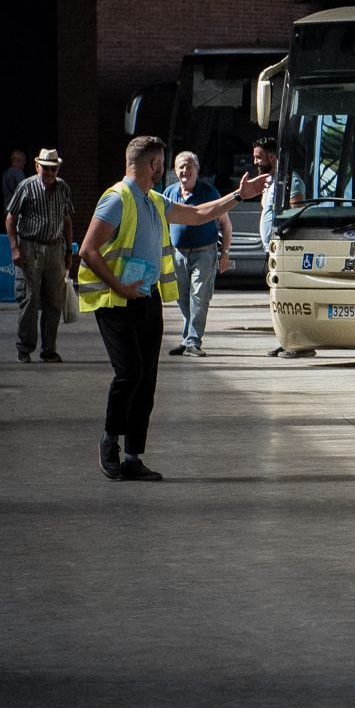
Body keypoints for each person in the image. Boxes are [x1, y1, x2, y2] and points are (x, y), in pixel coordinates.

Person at [76, 134, 265, 481]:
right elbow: (87, 250)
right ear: (153, 165)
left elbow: (197, 214)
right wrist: (119, 285)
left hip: (146, 300)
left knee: (146, 380)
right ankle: (109, 442)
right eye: (162, 162)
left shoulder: (153, 200)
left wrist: (239, 196)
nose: (164, 168)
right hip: (117, 302)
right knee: (129, 373)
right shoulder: (116, 200)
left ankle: (133, 456)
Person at [6, 147, 76, 363]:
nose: (49, 172)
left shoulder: (63, 187)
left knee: (54, 300)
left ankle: (49, 349)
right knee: (29, 299)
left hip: (55, 248)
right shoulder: (26, 187)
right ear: (37, 167)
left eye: (53, 168)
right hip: (31, 247)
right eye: (45, 168)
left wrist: (68, 250)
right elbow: (11, 218)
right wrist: (15, 248)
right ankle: (24, 348)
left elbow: (66, 220)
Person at [164, 149, 232, 357]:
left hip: (204, 253)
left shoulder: (209, 193)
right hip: (178, 254)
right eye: (181, 166)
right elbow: (162, 224)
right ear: (175, 171)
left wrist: (225, 253)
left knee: (199, 297)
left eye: (189, 166)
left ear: (197, 170)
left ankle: (194, 342)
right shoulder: (169, 193)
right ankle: (187, 340)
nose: (185, 170)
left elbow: (226, 225)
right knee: (182, 297)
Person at [257, 135, 314, 360]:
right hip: (271, 249)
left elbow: (296, 211)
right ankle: (285, 339)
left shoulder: (291, 181)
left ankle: (299, 342)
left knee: (287, 296)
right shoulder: (271, 182)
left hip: (284, 248)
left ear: (272, 156)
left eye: (258, 157)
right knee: (276, 297)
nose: (255, 162)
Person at [0, 149, 28, 218]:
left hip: (7, 210)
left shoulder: (6, 173)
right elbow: (24, 191)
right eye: (23, 160)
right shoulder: (18, 172)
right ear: (18, 161)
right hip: (16, 212)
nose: (25, 162)